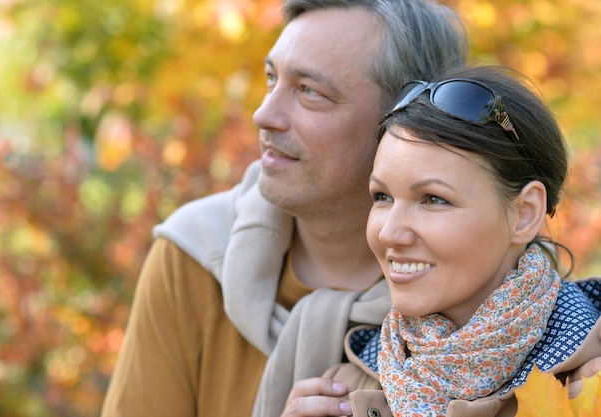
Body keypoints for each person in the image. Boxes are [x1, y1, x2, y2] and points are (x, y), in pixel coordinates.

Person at [99, 1, 470, 416]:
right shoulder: (195, 254)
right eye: (271, 79)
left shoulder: (497, 289)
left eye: (309, 91)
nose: (264, 115)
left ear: (404, 124)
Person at [282, 65, 601, 417]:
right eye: (382, 196)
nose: (389, 232)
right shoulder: (343, 389)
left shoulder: (589, 391)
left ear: (524, 214)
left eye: (433, 199)